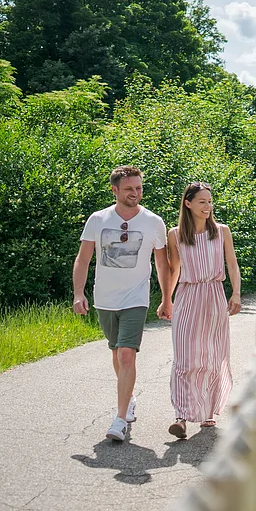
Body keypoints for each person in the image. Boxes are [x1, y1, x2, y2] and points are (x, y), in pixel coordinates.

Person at [73, 165, 171, 442]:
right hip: (105, 297)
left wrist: (166, 298)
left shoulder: (153, 222)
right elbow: (83, 259)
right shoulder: (98, 219)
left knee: (127, 353)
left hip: (136, 297)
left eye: (139, 188)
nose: (136, 193)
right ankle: (128, 398)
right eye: (129, 189)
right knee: (116, 353)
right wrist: (78, 293)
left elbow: (162, 264)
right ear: (114, 190)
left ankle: (119, 419)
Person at [165, 182, 241, 439]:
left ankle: (208, 410)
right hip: (187, 297)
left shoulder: (221, 231)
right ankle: (181, 416)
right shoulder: (175, 234)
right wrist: (167, 300)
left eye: (210, 202)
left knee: (211, 356)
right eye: (202, 202)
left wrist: (236, 293)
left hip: (214, 296)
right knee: (185, 358)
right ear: (188, 203)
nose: (208, 207)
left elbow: (232, 263)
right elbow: (174, 269)